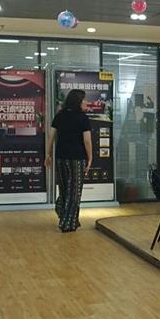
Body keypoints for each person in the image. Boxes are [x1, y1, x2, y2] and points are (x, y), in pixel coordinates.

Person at [45, 89, 92, 232]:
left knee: (65, 189)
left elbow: (51, 136)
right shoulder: (83, 118)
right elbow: (87, 141)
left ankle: (67, 215)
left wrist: (48, 154)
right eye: (84, 100)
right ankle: (67, 223)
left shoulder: (60, 115)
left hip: (61, 157)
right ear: (78, 102)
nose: (86, 102)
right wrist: (90, 158)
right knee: (75, 192)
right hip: (77, 159)